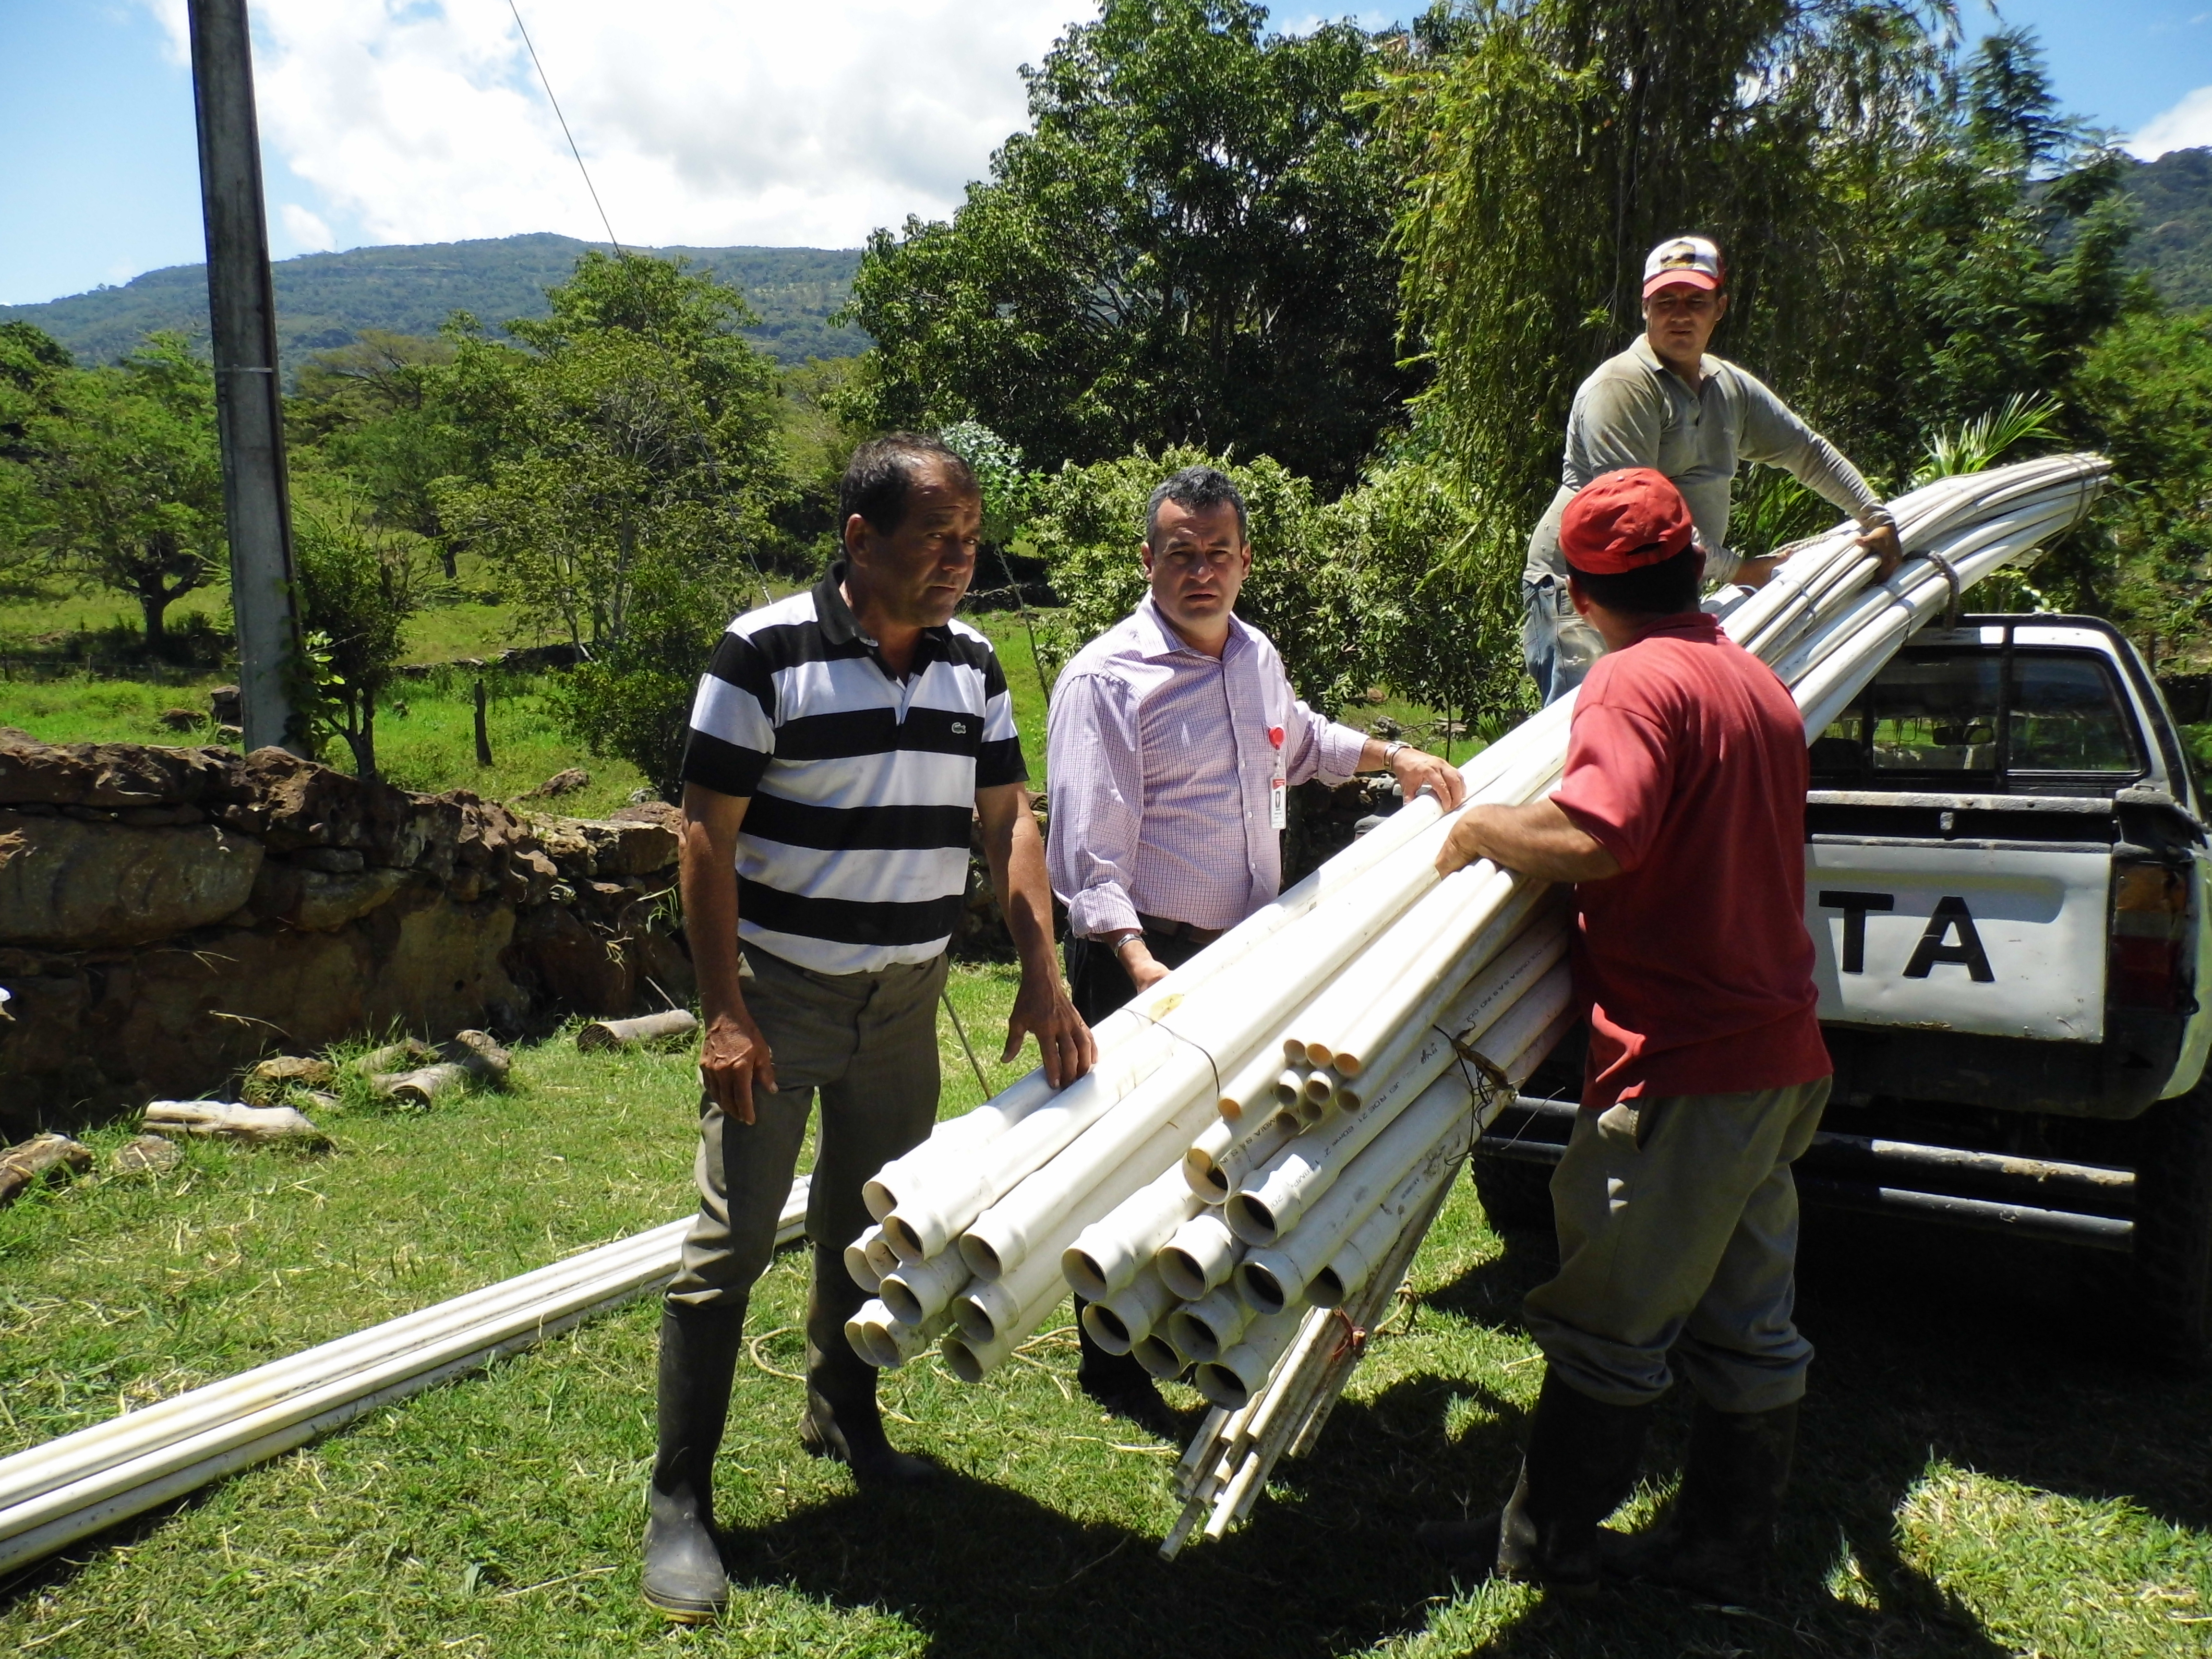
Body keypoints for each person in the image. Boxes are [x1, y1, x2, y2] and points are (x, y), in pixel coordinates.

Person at [644, 433, 1095, 1623]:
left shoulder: (976, 665)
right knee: (731, 1242)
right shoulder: (765, 649)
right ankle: (680, 1498)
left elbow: (1008, 821)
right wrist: (726, 1011)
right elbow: (705, 833)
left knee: (868, 1220)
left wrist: (1041, 969)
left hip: (905, 996)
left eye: (972, 539)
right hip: (783, 997)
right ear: (859, 538)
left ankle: (841, 1408)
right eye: (935, 538)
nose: (961, 559)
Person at [1421, 468, 1832, 1602]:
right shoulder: (1755, 683)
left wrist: (1480, 829)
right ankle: (1727, 1547)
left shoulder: (1632, 683)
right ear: (1694, 566)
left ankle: (1543, 1542)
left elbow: (1601, 832)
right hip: (1777, 1048)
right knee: (1750, 1311)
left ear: (1585, 594)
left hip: (1687, 1061)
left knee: (1609, 1312)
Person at [1046, 464, 1466, 1430]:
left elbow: (1300, 741)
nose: (1202, 572)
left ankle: (1189, 1322)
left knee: (1214, 1148)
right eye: (1181, 555)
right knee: (1123, 1155)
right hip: (1147, 954)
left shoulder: (1253, 655)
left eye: (1219, 554)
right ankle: (1108, 1359)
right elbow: (1087, 849)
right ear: (1147, 561)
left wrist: (1392, 756)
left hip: (1242, 947)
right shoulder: (1108, 681)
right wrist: (1140, 963)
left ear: (1245, 560)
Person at [1522, 233, 1903, 703]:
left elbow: (1807, 452)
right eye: (1665, 301)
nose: (1680, 314)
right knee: (1586, 725)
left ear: (1720, 306)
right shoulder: (1624, 385)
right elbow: (1637, 523)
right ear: (1645, 307)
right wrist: (1740, 569)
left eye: (1695, 300)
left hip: (1666, 583)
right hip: (1590, 590)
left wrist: (1875, 517)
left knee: (1658, 720)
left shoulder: (1729, 388)